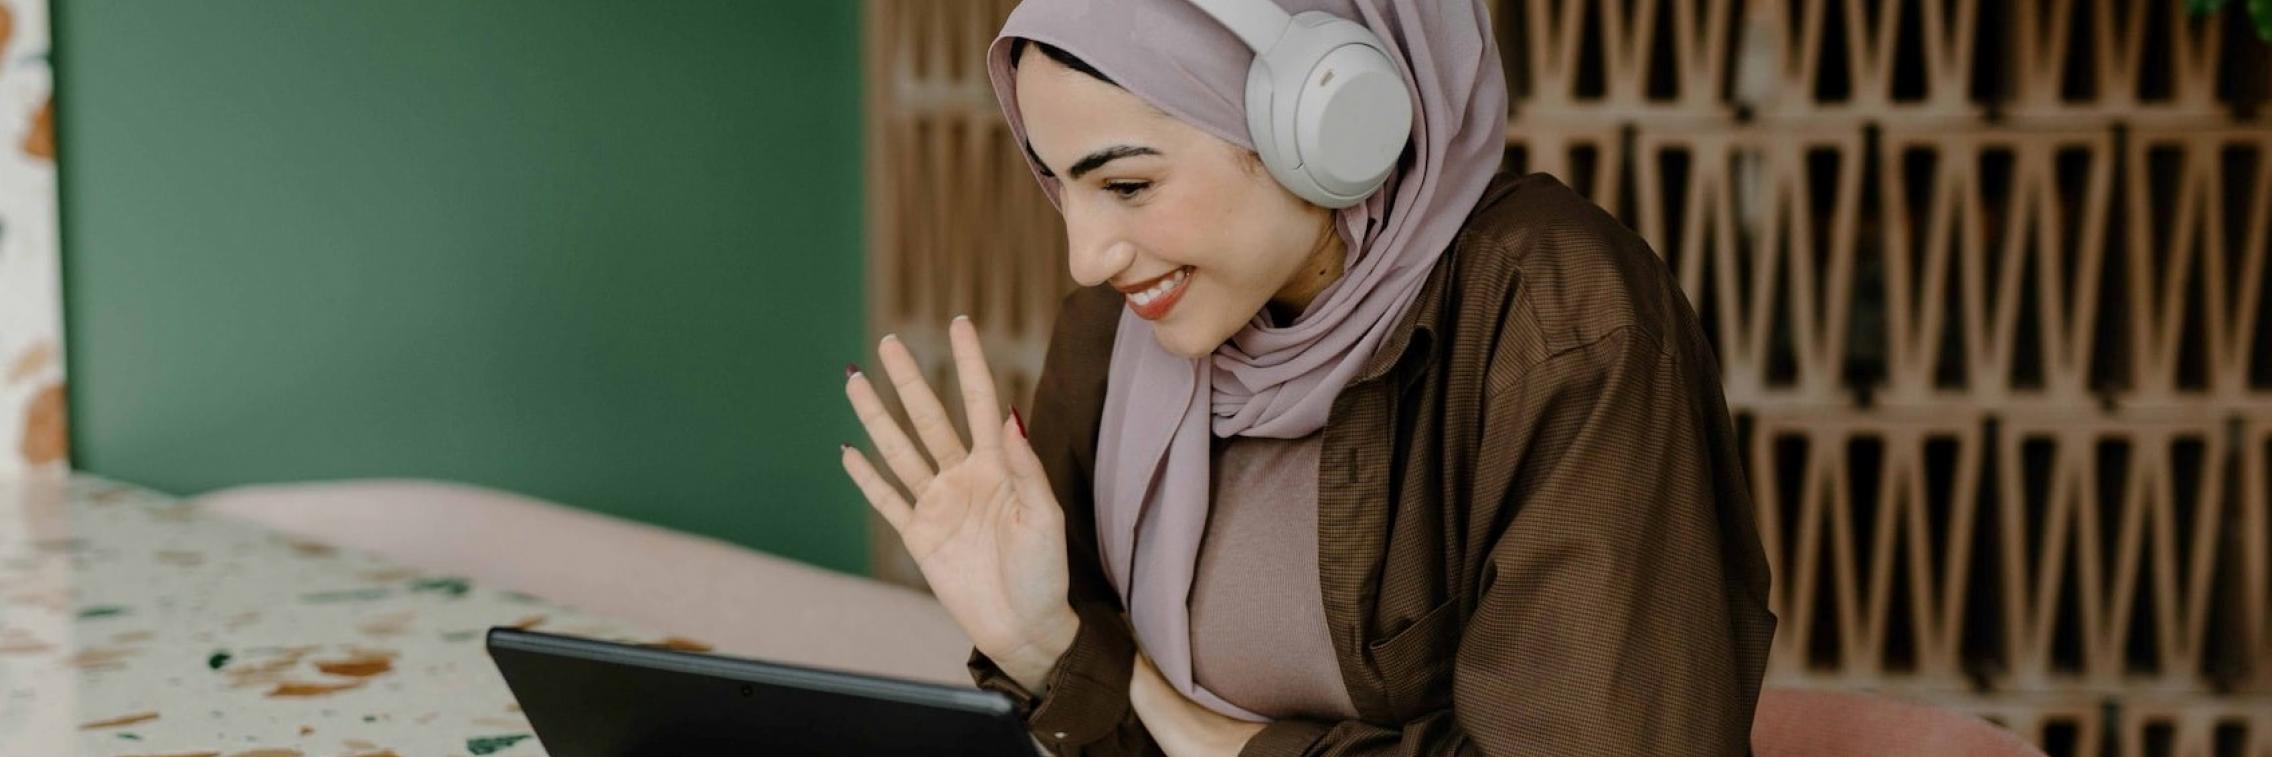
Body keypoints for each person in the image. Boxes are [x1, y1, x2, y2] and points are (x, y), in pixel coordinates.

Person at [838, 1, 1776, 754]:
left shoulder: (1556, 321)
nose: (1086, 256)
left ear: (1325, 127)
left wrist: (1224, 743)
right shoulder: (1117, 327)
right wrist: (1042, 643)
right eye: (1059, 185)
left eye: (1126, 186)